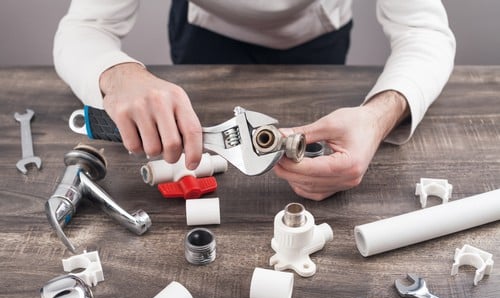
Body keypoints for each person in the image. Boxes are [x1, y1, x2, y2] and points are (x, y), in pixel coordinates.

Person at [53, 0, 456, 201]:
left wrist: (376, 117)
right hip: (204, 34)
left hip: (316, 35)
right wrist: (119, 74)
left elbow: (425, 33)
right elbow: (85, 28)